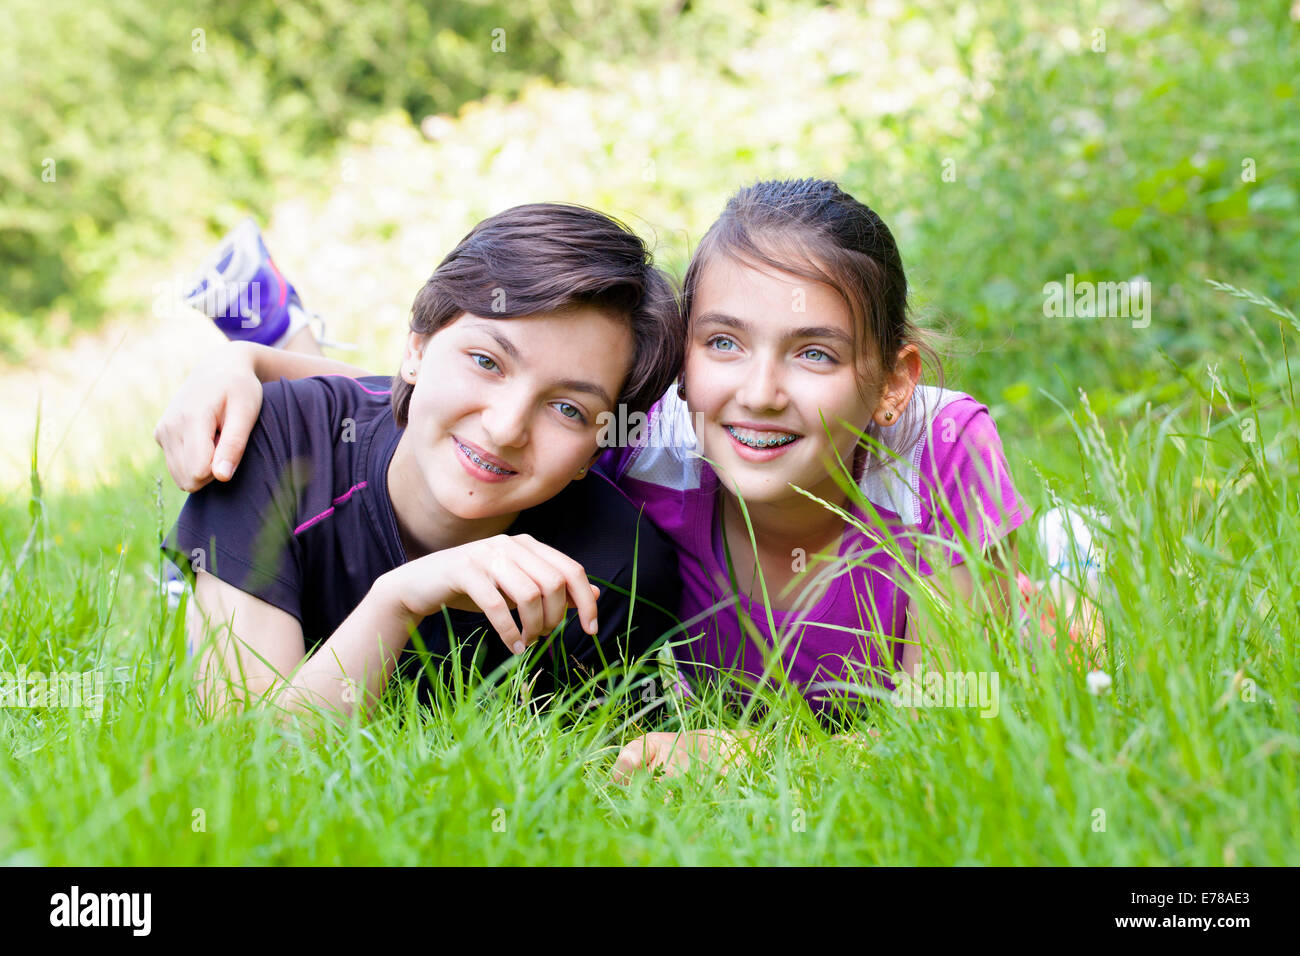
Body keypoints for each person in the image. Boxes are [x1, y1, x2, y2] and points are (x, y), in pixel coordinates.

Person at [158, 180, 1047, 774]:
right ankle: (277, 323)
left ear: (892, 382)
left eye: (814, 353)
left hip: (990, 567)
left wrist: (759, 756)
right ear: (690, 361)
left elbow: (950, 738)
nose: (758, 394)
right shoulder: (656, 432)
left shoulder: (933, 451)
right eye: (724, 343)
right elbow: (456, 404)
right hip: (349, 443)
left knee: (1062, 616)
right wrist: (248, 365)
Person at [158, 203, 684, 726]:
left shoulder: (615, 575)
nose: (505, 429)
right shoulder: (277, 440)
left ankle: (278, 326)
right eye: (486, 361)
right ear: (416, 347)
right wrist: (398, 601)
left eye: (568, 409)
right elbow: (245, 753)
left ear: (595, 452)